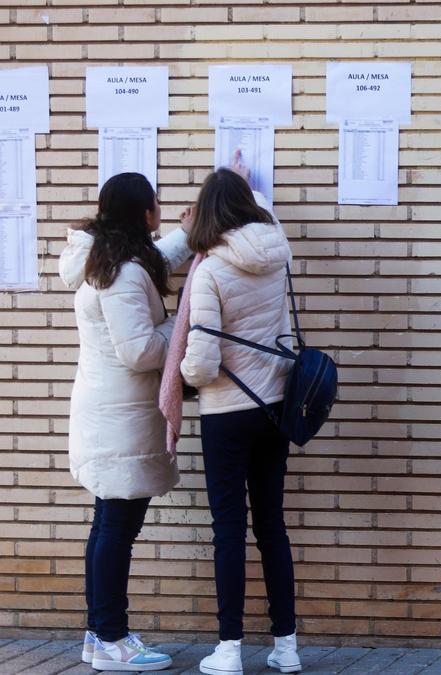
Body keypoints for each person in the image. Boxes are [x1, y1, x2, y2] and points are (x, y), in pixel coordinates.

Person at [59, 172, 193, 672]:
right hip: (121, 417)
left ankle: (100, 636)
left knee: (108, 526)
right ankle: (113, 638)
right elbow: (139, 349)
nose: (160, 211)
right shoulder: (122, 271)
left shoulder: (109, 258)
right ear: (143, 214)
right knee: (116, 528)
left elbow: (158, 259)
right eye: (157, 205)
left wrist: (189, 231)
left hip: (112, 414)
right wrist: (179, 325)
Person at [180, 158, 300, 675]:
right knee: (271, 525)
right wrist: (242, 180)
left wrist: (183, 373)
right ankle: (287, 647)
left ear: (208, 213)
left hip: (228, 412)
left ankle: (229, 648)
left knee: (229, 528)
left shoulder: (209, 269)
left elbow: (203, 359)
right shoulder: (276, 252)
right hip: (275, 405)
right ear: (249, 207)